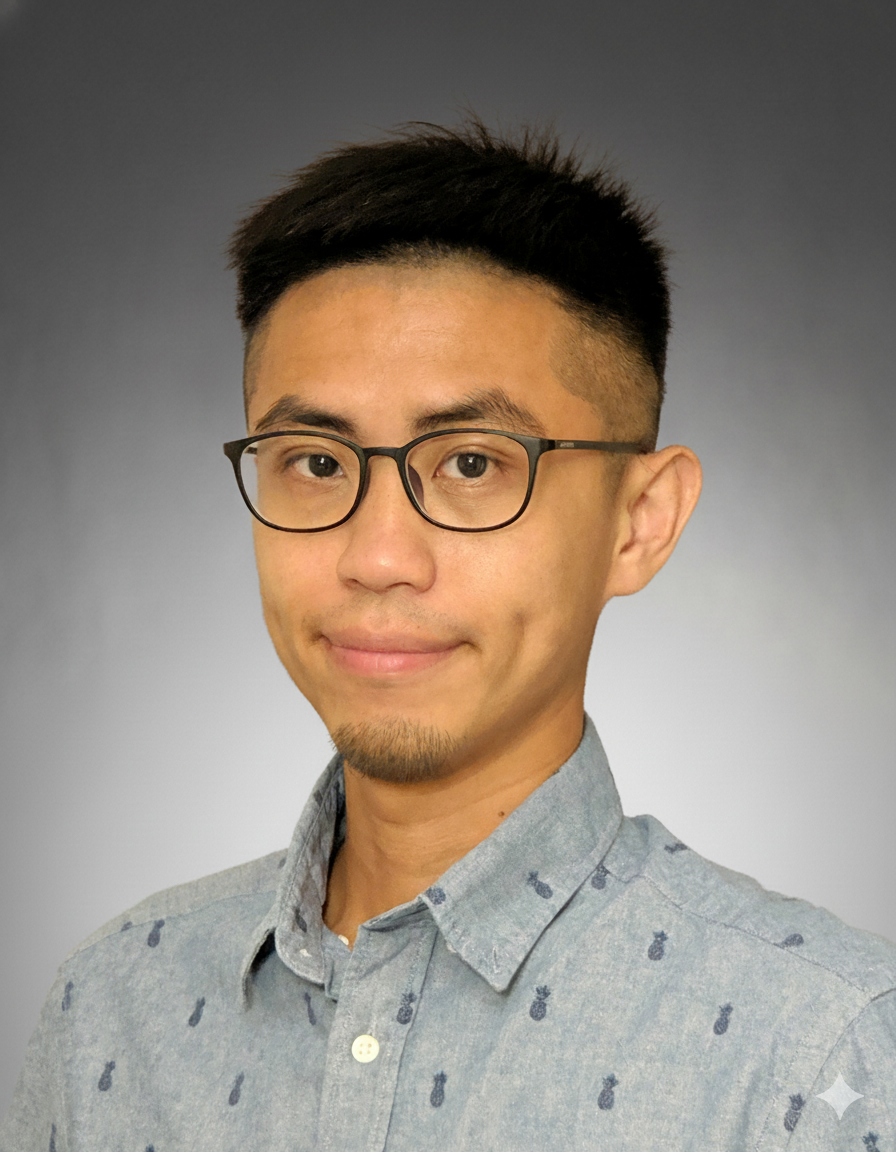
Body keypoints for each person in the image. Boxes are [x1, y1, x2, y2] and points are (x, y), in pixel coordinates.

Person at [3, 116, 894, 1152]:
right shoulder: (110, 1010)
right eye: (316, 462)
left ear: (638, 521)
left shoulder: (819, 1053)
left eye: (472, 463)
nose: (378, 556)